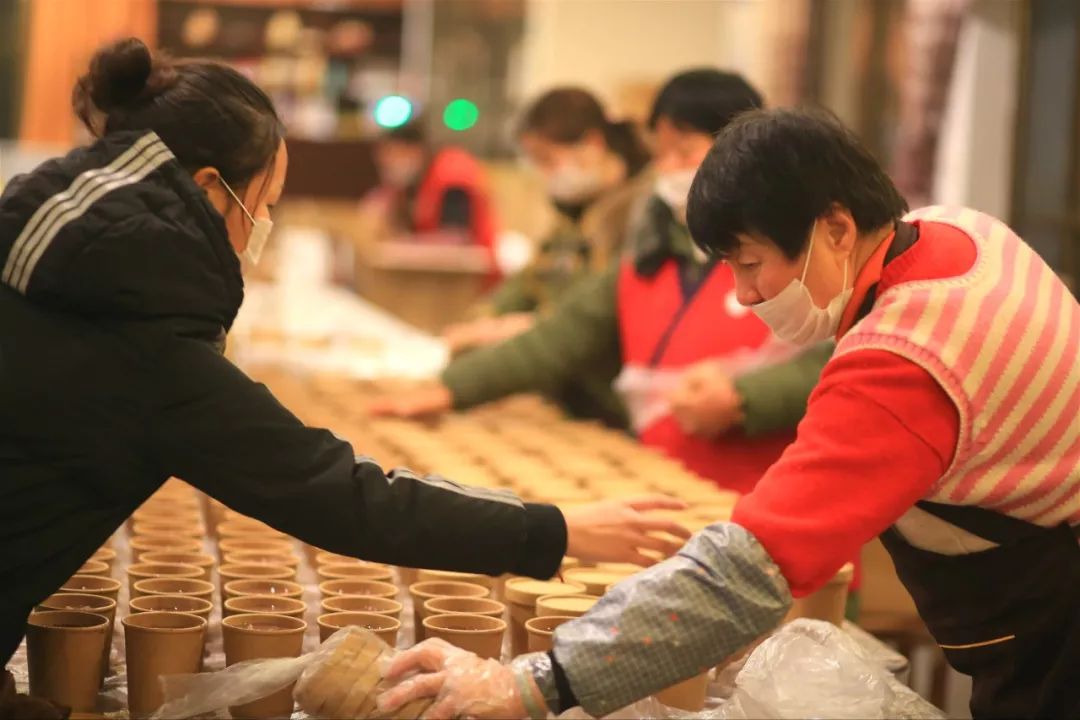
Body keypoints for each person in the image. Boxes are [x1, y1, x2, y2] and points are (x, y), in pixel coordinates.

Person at [0, 38, 690, 670]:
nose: (262, 225)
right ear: (209, 189)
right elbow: (339, 495)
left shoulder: (56, 270)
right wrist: (552, 530)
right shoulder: (143, 341)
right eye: (264, 202)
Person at [377, 108, 1080, 720]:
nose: (743, 295)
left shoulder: (904, 361)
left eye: (751, 263)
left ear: (837, 228)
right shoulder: (955, 229)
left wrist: (535, 683)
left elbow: (751, 569)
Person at [373, 70, 832, 496]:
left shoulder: (800, 252)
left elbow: (840, 359)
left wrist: (745, 397)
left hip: (770, 496)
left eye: (684, 152)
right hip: (661, 482)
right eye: (660, 155)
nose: (668, 170)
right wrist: (453, 387)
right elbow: (559, 337)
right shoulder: (651, 254)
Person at [441, 88, 653, 371]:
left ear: (592, 143)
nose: (543, 174)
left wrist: (521, 327)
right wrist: (482, 319)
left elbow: (597, 313)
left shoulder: (638, 213)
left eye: (548, 160)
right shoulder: (573, 215)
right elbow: (529, 281)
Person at [368, 120, 499, 266]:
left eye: (392, 156)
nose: (388, 165)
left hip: (475, 273)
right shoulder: (412, 183)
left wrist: (400, 247)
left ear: (415, 150)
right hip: (435, 271)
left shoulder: (452, 173)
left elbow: (457, 239)